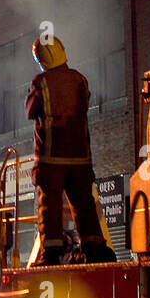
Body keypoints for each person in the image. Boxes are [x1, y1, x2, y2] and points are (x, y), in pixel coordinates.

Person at [26, 34, 117, 267]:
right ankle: (95, 248)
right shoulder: (79, 80)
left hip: (51, 158)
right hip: (80, 159)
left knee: (50, 205)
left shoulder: (40, 82)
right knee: (84, 204)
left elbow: (31, 110)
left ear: (41, 59)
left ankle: (52, 253)